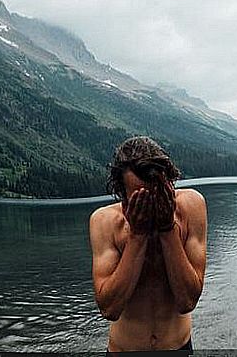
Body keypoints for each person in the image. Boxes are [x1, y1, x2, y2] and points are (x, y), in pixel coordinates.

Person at [89, 136, 208, 354]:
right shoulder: (105, 222)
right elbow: (110, 309)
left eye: (156, 192)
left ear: (169, 183)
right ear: (122, 193)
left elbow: (187, 301)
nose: (150, 203)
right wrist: (137, 235)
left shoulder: (191, 207)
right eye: (140, 197)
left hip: (178, 348)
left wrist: (167, 228)